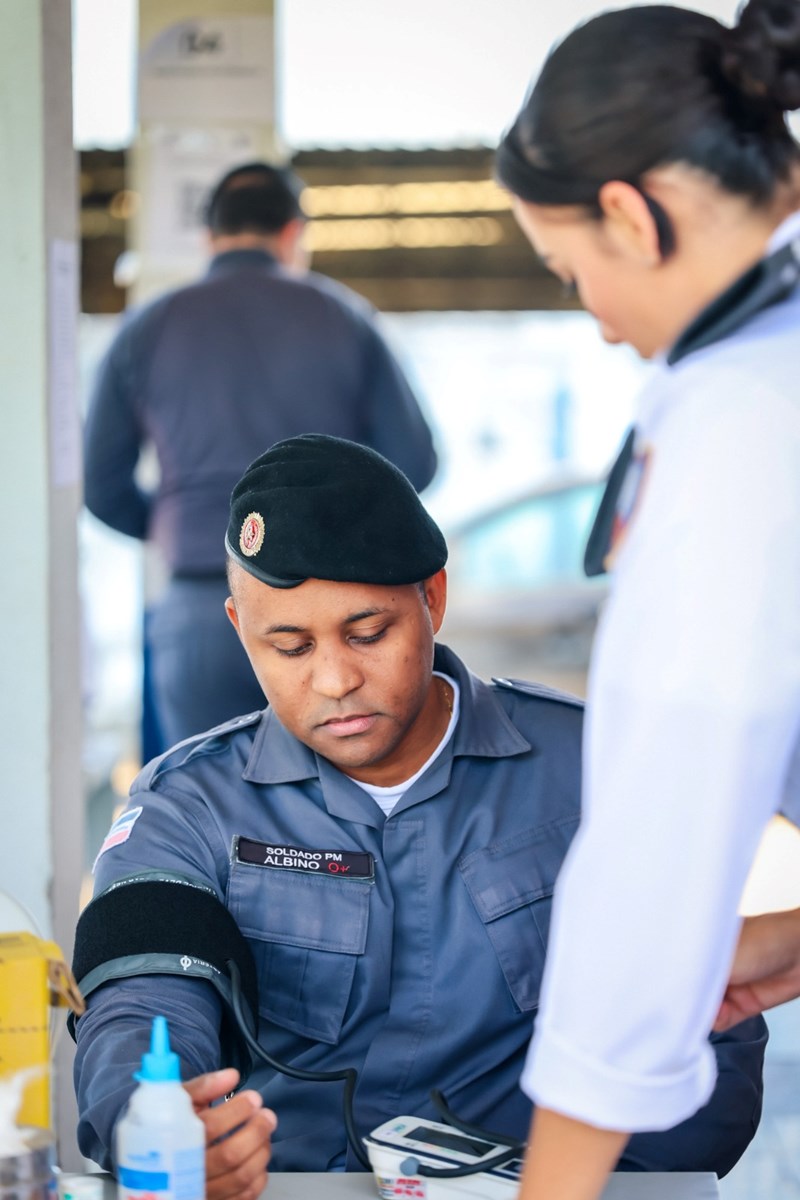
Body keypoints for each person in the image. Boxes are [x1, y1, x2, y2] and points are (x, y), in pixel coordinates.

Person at [71, 435, 766, 1195]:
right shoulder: (188, 803)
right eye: (290, 646)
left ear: (432, 598)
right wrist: (156, 1125)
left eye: (368, 634)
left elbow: (710, 1038)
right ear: (239, 628)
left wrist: (604, 1184)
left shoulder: (598, 772)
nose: (335, 679)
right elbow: (141, 1005)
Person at [493, 0, 800, 1196]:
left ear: (629, 213)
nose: (596, 321)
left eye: (570, 272)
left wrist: (554, 1181)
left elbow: (659, 834)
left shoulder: (741, 422)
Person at [82, 161, 438, 750]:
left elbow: (102, 486)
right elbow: (414, 463)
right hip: (340, 614)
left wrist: (199, 530)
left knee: (210, 813)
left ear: (210, 237)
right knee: (340, 818)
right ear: (294, 234)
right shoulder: (344, 318)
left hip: (204, 604)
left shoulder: (148, 327)